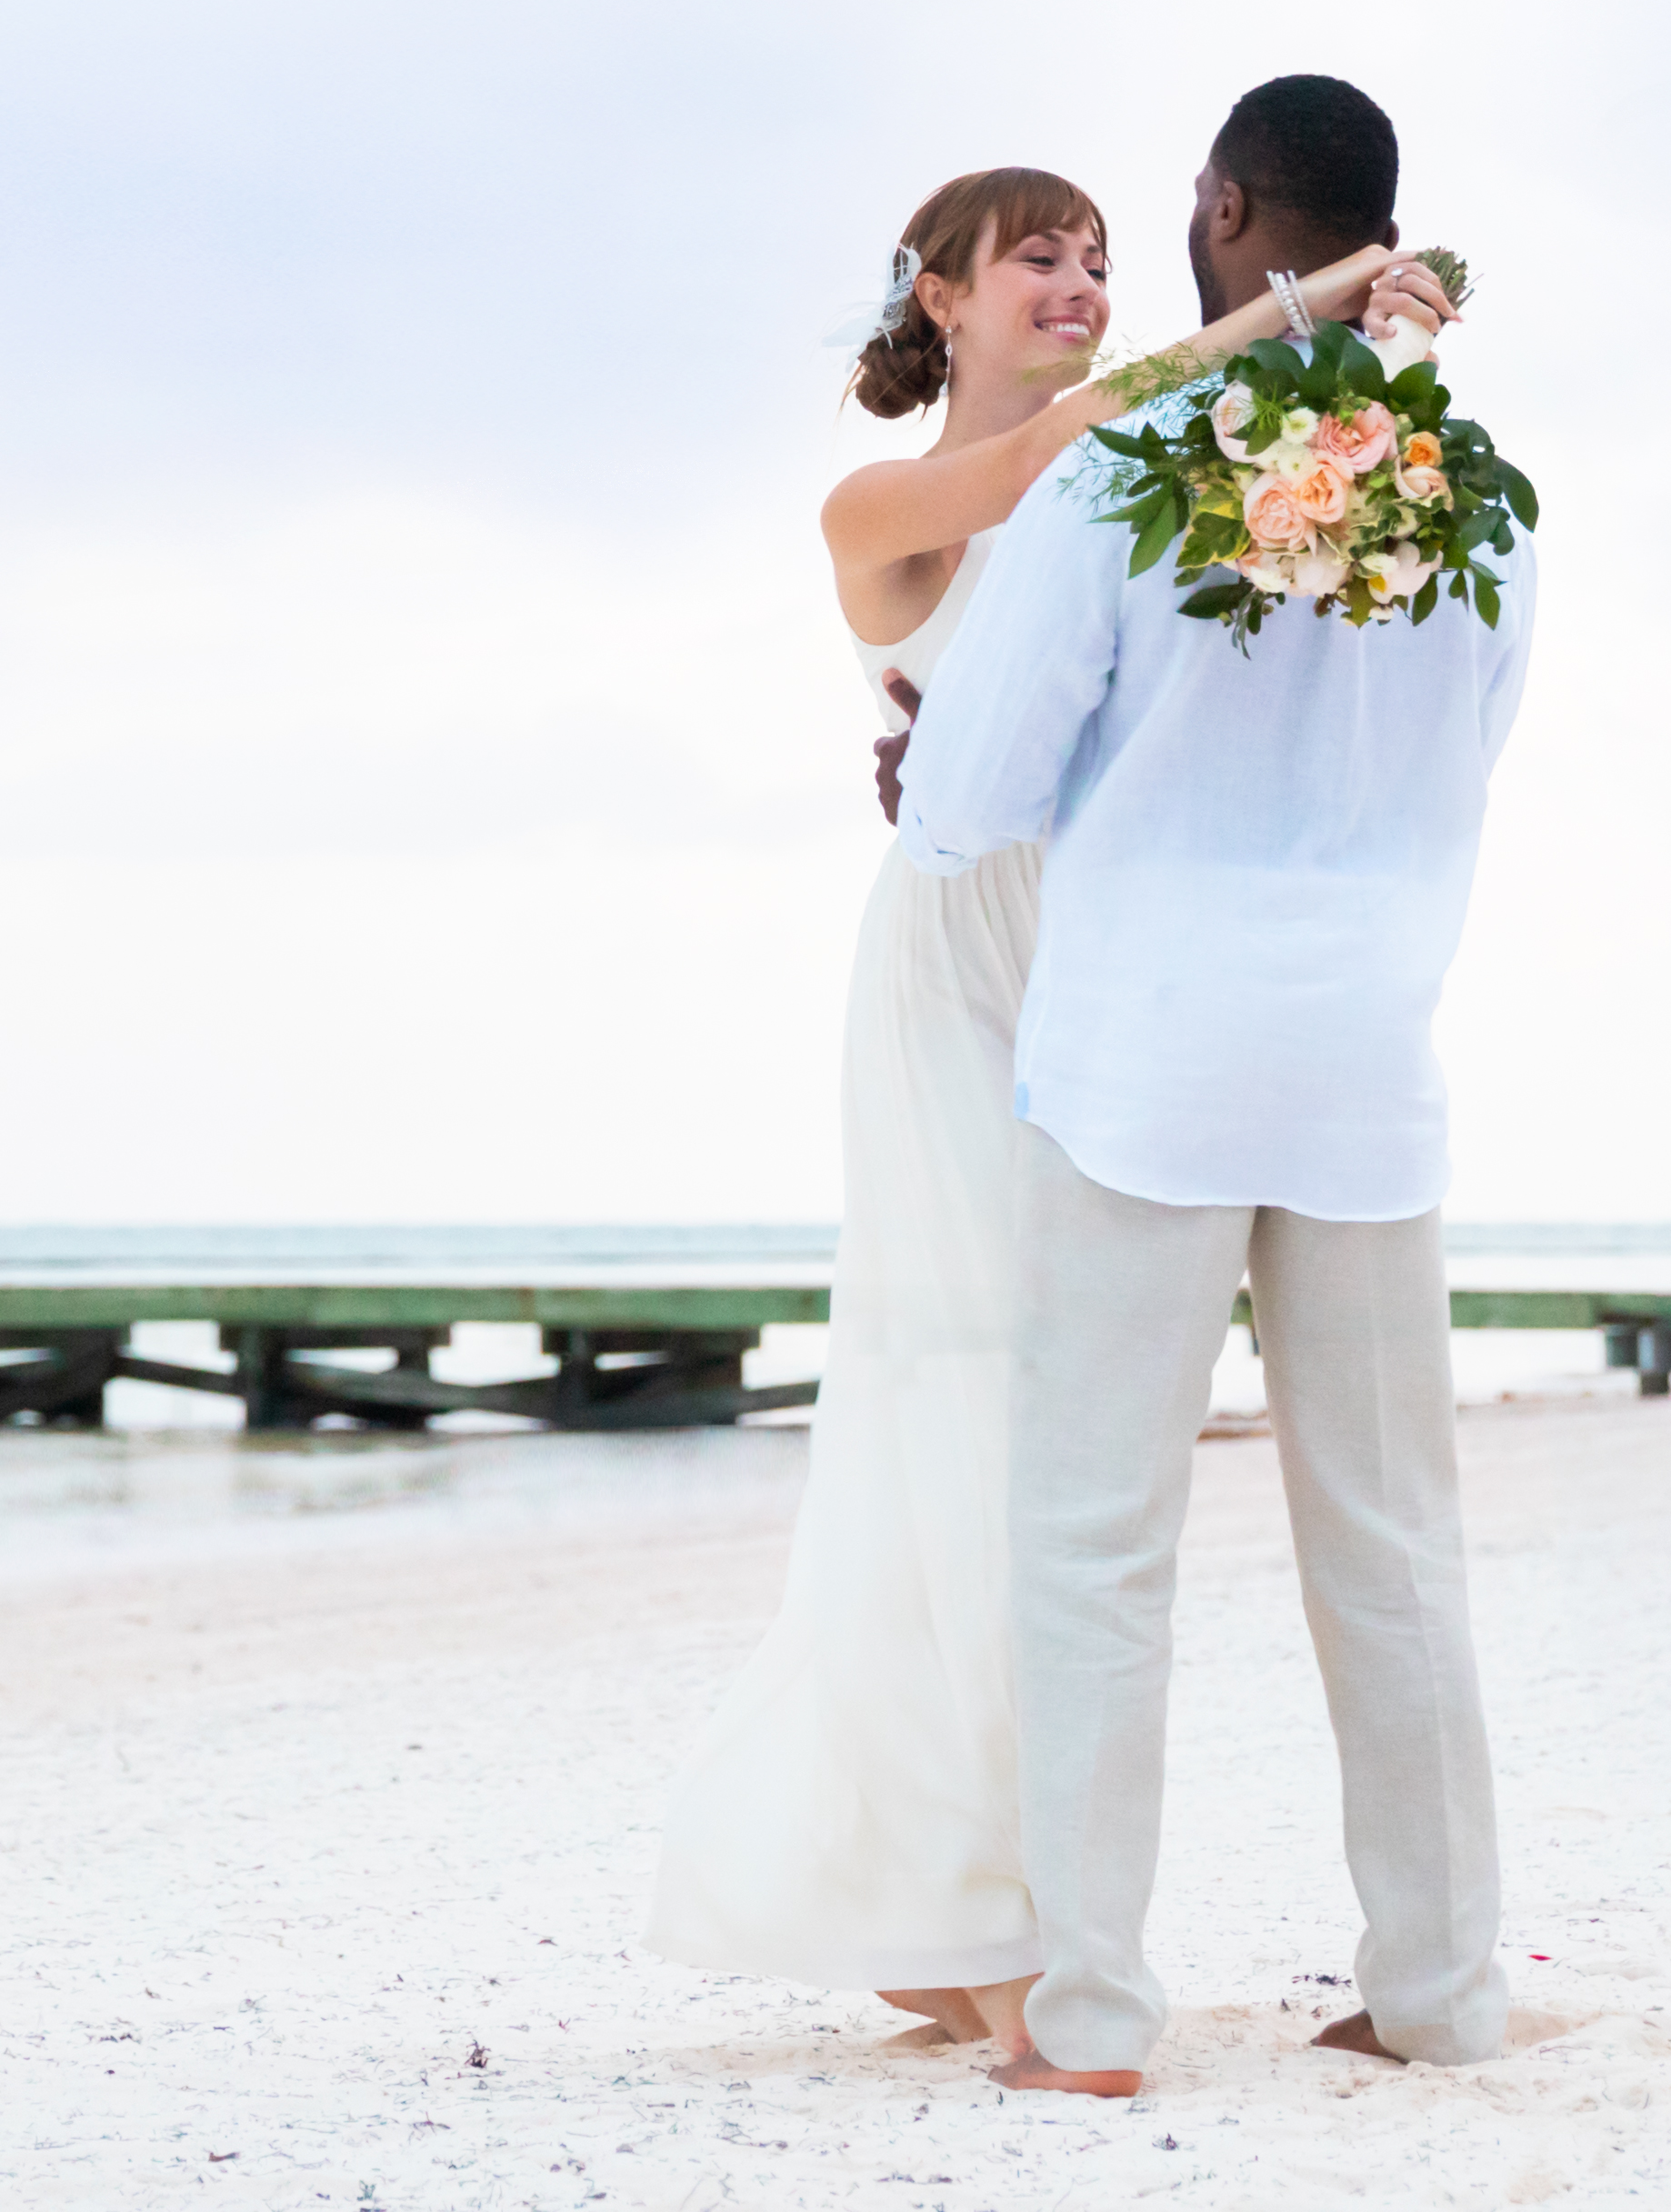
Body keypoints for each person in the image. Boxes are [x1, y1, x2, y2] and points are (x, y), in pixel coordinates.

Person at [646, 154, 1449, 2049]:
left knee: (1060, 1431)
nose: (1080, 285)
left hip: (1100, 938)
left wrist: (1368, 367)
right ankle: (981, 1902)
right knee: (969, 1401)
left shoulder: (1133, 471)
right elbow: (1044, 458)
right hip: (959, 952)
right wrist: (1309, 298)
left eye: (1098, 257)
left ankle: (993, 1899)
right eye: (1037, 258)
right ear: (937, 292)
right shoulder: (891, 494)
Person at [885, 72, 1531, 2100]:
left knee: (1095, 1544)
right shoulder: (1476, 495)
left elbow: (969, 799)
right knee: (1394, 1545)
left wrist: (977, 777)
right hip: (1361, 1062)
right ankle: (1437, 1989)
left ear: (1226, 207)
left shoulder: (1127, 463)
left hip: (1146, 1060)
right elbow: (1469, 757)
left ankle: (1088, 2021)